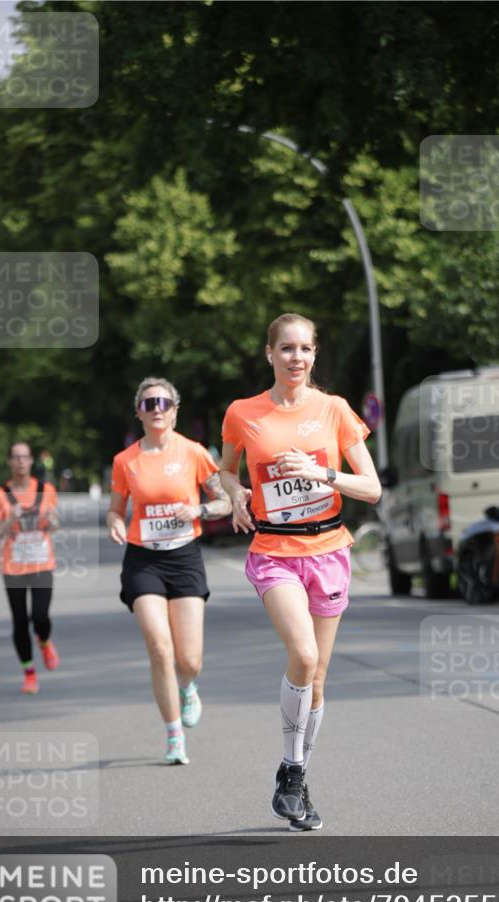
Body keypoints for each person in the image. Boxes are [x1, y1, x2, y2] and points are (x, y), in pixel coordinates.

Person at [220, 312, 381, 831]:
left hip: (330, 549)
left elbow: (372, 488)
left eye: (305, 349)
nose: (296, 358)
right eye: (286, 348)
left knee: (317, 680)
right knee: (303, 655)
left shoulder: (334, 410)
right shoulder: (244, 413)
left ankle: (297, 778)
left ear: (315, 355)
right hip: (274, 551)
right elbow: (226, 467)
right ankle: (292, 773)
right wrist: (235, 492)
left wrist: (322, 473)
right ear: (269, 353)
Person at [107, 377, 232, 765]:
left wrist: (198, 510)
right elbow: (115, 507)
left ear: (175, 410)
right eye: (149, 403)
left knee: (188, 659)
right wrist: (114, 521)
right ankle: (174, 735)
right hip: (143, 559)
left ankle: (188, 686)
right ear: (139, 413)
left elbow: (225, 501)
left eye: (164, 402)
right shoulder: (125, 461)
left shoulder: (194, 453)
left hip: (185, 558)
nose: (157, 408)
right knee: (160, 646)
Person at [0, 442, 60, 694]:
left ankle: (45, 641)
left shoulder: (45, 490)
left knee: (40, 615)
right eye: (15, 457)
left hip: (42, 562)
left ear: (31, 461)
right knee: (20, 621)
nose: (20, 461)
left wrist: (52, 522)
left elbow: (54, 523)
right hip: (14, 567)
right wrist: (11, 520)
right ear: (9, 461)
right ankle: (29, 673)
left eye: (25, 457)